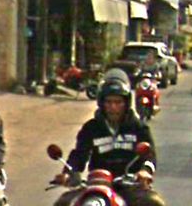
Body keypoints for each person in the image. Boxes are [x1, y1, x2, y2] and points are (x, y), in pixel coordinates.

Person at [53, 77, 165, 206]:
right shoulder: (91, 128)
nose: (113, 107)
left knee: (154, 202)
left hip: (130, 184)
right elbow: (79, 154)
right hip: (97, 184)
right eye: (109, 102)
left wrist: (145, 171)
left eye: (118, 102)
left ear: (126, 103)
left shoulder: (138, 127)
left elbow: (150, 155)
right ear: (102, 103)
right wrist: (68, 173)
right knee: (63, 203)